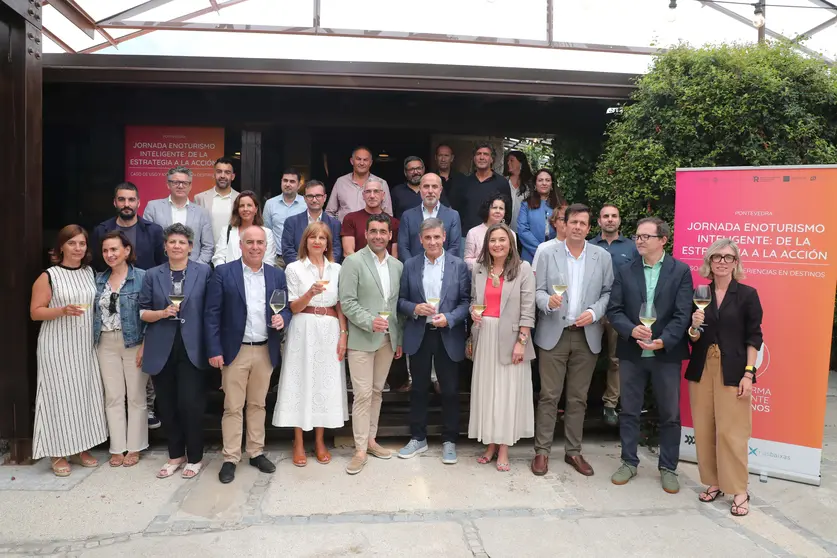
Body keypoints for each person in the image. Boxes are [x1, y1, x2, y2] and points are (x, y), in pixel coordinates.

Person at [607, 217, 693, 494]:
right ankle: (628, 462)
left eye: (646, 236)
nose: (640, 240)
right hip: (632, 352)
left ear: (663, 240)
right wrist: (632, 331)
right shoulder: (624, 269)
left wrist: (662, 341)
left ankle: (668, 467)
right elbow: (614, 310)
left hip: (665, 354)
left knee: (670, 414)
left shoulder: (680, 271)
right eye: (638, 236)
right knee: (629, 410)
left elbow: (683, 315)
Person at [531, 204, 613, 477]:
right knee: (548, 397)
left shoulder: (601, 256)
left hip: (586, 336)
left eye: (583, 223)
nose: (578, 227)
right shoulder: (547, 253)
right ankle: (542, 452)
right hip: (554, 333)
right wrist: (547, 302)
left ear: (590, 228)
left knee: (578, 398)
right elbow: (538, 291)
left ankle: (573, 451)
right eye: (573, 222)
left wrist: (594, 312)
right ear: (563, 224)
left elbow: (608, 292)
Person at [206, 226, 291, 484]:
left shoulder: (277, 275)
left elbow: (285, 308)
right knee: (232, 407)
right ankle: (231, 457)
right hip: (235, 351)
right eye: (250, 242)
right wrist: (215, 349)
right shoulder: (223, 272)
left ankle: (256, 452)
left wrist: (282, 319)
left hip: (265, 349)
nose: (255, 247)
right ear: (240, 245)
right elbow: (212, 315)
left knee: (258, 404)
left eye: (260, 243)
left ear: (266, 246)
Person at [686, 239, 763, 517]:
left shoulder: (747, 294)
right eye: (716, 256)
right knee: (705, 429)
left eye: (728, 257)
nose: (721, 261)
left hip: (733, 369)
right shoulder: (700, 293)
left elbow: (754, 337)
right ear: (709, 261)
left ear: (735, 263)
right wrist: (693, 327)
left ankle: (739, 489)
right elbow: (692, 338)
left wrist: (748, 373)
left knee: (732, 432)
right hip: (702, 367)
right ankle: (715, 482)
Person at [30, 225, 107, 476]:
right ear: (61, 246)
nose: (77, 248)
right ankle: (57, 452)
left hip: (84, 345)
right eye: (72, 243)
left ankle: (81, 447)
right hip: (57, 346)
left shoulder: (89, 272)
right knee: (58, 397)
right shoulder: (48, 275)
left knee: (83, 395)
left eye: (82, 244)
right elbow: (35, 312)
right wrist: (62, 311)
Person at [273, 222, 349, 466]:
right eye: (313, 237)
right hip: (303, 327)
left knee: (324, 384)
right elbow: (292, 307)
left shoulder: (337, 269)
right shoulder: (294, 268)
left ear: (328, 243)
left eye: (322, 238)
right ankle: (297, 441)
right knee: (300, 381)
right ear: (305, 241)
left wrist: (344, 333)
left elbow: (340, 305)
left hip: (329, 328)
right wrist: (310, 293)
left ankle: (319, 440)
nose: (317, 241)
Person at [140, 223, 212, 479]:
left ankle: (195, 457)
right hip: (162, 347)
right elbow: (142, 311)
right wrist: (162, 313)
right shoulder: (152, 275)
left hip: (193, 347)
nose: (177, 246)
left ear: (190, 247)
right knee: (167, 405)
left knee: (190, 404)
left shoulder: (203, 272)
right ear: (165, 246)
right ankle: (175, 455)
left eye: (182, 242)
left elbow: (211, 311)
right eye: (172, 242)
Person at [396, 218, 470, 464]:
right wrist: (415, 308)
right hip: (420, 333)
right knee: (418, 389)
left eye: (437, 237)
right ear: (420, 239)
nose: (432, 242)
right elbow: (401, 301)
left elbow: (465, 302)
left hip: (447, 334)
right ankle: (418, 438)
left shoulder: (458, 266)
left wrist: (449, 318)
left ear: (444, 237)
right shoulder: (410, 264)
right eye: (427, 238)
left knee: (449, 390)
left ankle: (449, 440)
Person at [338, 213, 404, 475]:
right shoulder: (353, 262)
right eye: (373, 231)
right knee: (363, 394)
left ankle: (371, 440)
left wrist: (398, 338)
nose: (378, 236)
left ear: (390, 235)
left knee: (377, 392)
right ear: (365, 235)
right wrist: (369, 321)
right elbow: (347, 301)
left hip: (388, 339)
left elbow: (397, 306)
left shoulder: (397, 266)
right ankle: (359, 449)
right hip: (363, 338)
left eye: (383, 232)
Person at [468, 223, 535, 472]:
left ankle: (504, 447)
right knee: (489, 393)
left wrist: (521, 342)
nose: (497, 244)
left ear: (511, 243)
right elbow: (474, 302)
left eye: (502, 240)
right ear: (487, 243)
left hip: (511, 339)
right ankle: (491, 444)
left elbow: (528, 309)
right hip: (484, 335)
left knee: (506, 394)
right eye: (493, 240)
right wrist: (473, 313)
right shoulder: (479, 268)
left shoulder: (523, 269)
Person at [93, 231, 148, 468]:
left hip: (134, 342)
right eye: (105, 250)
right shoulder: (98, 279)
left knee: (136, 396)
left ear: (126, 251)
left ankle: (134, 446)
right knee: (113, 396)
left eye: (114, 249)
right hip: (105, 342)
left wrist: (146, 345)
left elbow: (149, 313)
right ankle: (117, 447)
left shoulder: (143, 277)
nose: (110, 254)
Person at [589, 203, 639, 426]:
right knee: (584, 357)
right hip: (591, 311)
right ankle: (578, 401)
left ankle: (610, 404)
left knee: (615, 360)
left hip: (619, 312)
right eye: (605, 216)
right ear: (599, 221)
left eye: (614, 216)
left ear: (619, 220)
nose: (610, 219)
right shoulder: (589, 246)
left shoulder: (631, 248)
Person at [143, 166, 214, 264]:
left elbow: (208, 246)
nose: (180, 186)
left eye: (184, 183)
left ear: (190, 186)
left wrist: (197, 268)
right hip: (161, 269)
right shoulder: (153, 207)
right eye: (176, 182)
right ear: (168, 184)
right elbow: (147, 243)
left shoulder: (202, 213)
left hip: (194, 269)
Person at [91, 182, 166, 272]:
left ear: (138, 203)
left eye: (131, 200)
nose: (126, 204)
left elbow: (162, 266)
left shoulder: (154, 231)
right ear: (115, 202)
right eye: (121, 199)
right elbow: (95, 265)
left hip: (145, 284)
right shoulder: (101, 231)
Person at [398, 173, 462, 261]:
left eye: (434, 187)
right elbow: (403, 248)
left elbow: (455, 247)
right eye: (426, 186)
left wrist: (439, 267)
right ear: (420, 189)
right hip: (415, 272)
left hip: (444, 271)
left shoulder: (453, 215)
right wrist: (412, 268)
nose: (430, 191)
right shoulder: (407, 216)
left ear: (440, 190)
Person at [451, 142, 511, 234]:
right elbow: (456, 210)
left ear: (492, 159)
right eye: (478, 154)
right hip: (466, 235)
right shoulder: (464, 182)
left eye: (486, 154)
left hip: (493, 236)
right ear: (474, 158)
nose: (481, 157)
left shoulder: (501, 183)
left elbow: (507, 212)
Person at [326, 146, 393, 222]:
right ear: (352, 161)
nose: (362, 163)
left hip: (372, 232)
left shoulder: (381, 183)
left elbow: (388, 214)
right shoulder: (341, 182)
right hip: (344, 232)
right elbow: (329, 212)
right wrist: (336, 230)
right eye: (358, 159)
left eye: (365, 160)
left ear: (370, 163)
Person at [282, 180, 342, 265]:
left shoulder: (335, 224)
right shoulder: (291, 222)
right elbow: (287, 251)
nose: (314, 200)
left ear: (324, 197)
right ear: (305, 198)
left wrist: (322, 267)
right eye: (310, 196)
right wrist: (304, 268)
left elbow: (336, 251)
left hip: (325, 273)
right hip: (299, 272)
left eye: (318, 196)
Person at [212, 190, 276, 267]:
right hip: (230, 277)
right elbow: (219, 257)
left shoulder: (267, 233)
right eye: (242, 206)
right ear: (237, 210)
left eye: (249, 205)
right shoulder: (227, 231)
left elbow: (269, 261)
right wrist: (225, 274)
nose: (245, 209)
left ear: (256, 209)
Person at [342, 180, 398, 258]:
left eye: (376, 191)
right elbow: (348, 252)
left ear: (383, 195)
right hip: (358, 268)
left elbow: (394, 256)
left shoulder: (394, 222)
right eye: (368, 191)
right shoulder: (350, 219)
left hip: (384, 268)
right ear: (363, 195)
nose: (372, 196)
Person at [263, 168, 306, 267]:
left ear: (299, 185)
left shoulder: (306, 204)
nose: (288, 184)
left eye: (292, 181)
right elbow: (267, 231)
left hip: (300, 258)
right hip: (277, 258)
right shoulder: (270, 204)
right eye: (285, 180)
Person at [517, 169, 561, 263]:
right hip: (531, 255)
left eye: (547, 180)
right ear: (535, 184)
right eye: (540, 180)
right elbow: (523, 230)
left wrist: (553, 249)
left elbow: (565, 228)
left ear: (552, 184)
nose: (544, 183)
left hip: (556, 254)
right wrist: (540, 249)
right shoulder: (526, 204)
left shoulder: (560, 205)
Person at [194, 157, 240, 244]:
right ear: (214, 175)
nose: (222, 176)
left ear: (232, 176)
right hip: (207, 252)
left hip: (233, 252)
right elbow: (196, 228)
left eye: (227, 172)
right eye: (219, 172)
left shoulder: (240, 198)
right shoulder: (200, 198)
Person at [463, 193, 513, 271]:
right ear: (487, 209)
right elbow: (467, 262)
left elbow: (513, 259)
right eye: (494, 207)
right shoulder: (473, 233)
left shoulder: (511, 234)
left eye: (501, 208)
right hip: (480, 276)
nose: (498, 211)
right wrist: (488, 263)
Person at [532, 202, 568, 273]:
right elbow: (535, 275)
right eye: (562, 219)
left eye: (569, 219)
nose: (566, 222)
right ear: (554, 223)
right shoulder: (543, 248)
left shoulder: (581, 247)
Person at [503, 150, 534, 233]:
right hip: (506, 229)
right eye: (507, 161)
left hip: (525, 230)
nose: (508, 163)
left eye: (512, 160)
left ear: (521, 163)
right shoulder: (504, 181)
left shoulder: (531, 184)